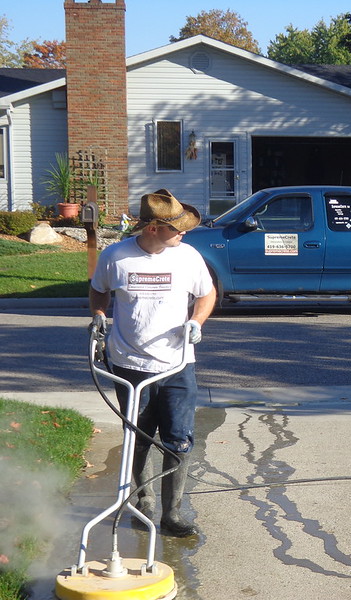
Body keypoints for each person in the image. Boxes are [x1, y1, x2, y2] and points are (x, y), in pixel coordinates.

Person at [89, 189, 216, 537]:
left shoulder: (188, 257)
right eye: (176, 228)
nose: (184, 233)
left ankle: (172, 513)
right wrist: (100, 316)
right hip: (129, 365)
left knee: (179, 439)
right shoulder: (116, 256)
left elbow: (207, 293)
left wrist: (196, 321)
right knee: (139, 437)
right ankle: (144, 499)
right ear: (153, 228)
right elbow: (98, 289)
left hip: (177, 366)